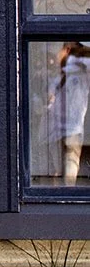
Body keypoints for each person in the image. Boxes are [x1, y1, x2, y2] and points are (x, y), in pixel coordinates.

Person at [45, 41, 90, 183]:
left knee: (69, 168)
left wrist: (79, 51)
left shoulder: (81, 71)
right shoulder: (58, 76)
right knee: (54, 170)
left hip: (72, 128)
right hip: (55, 129)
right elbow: (50, 97)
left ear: (67, 50)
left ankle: (67, 191)